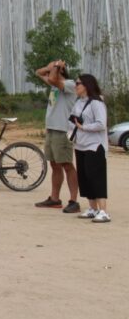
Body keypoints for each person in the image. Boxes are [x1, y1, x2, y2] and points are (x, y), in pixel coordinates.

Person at [34, 60, 80, 213]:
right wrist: (50, 66)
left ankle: (74, 200)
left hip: (63, 129)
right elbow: (38, 72)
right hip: (52, 129)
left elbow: (53, 78)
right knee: (54, 164)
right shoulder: (55, 85)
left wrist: (55, 66)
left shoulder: (69, 84)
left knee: (67, 164)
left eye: (53, 69)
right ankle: (55, 198)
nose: (49, 73)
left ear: (60, 70)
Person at [71, 74, 111, 223]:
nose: (75, 86)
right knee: (84, 177)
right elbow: (73, 120)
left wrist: (84, 127)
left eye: (78, 84)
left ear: (86, 85)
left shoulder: (96, 103)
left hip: (95, 145)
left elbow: (101, 124)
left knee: (96, 177)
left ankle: (103, 210)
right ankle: (92, 208)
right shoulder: (78, 102)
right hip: (80, 144)